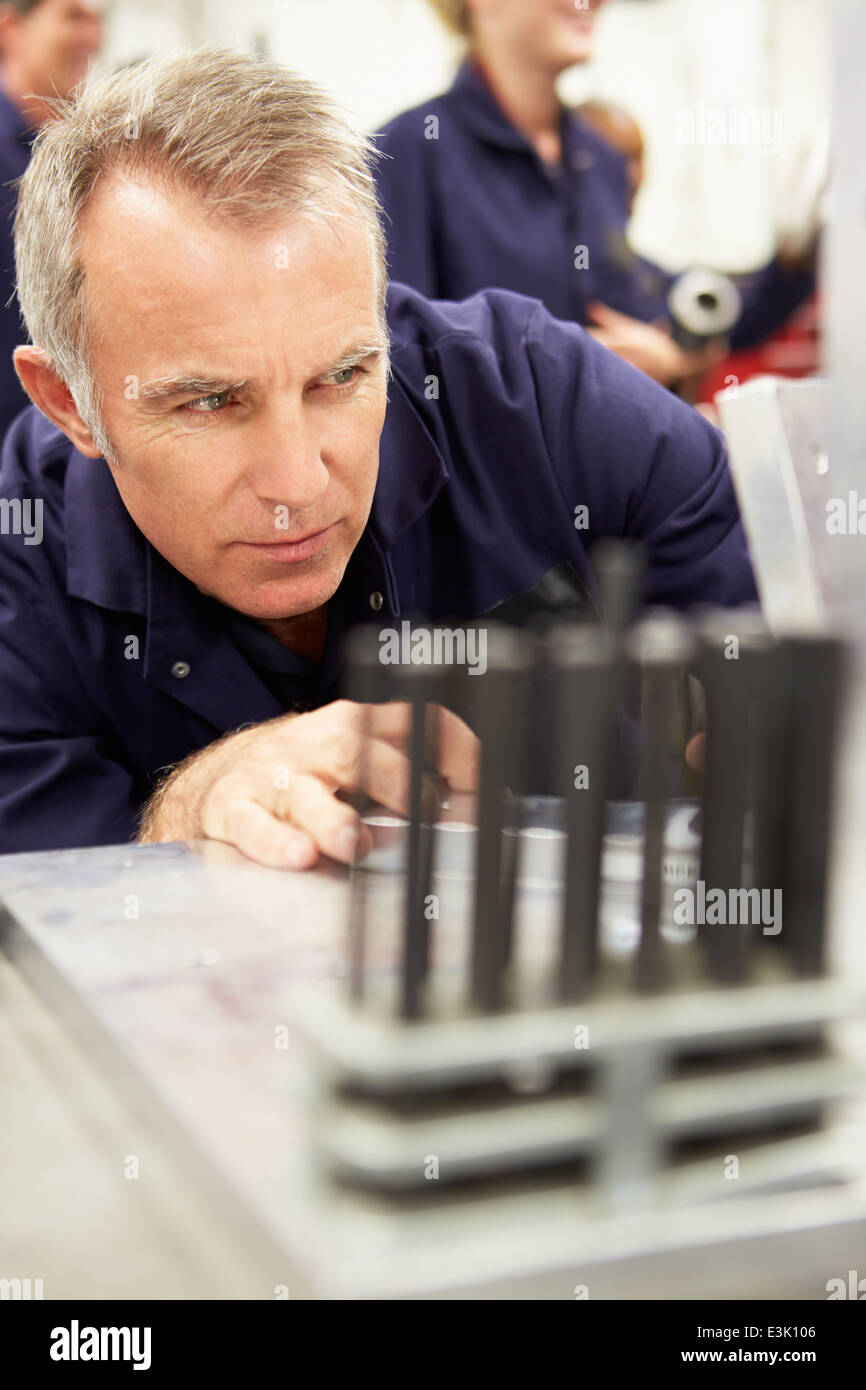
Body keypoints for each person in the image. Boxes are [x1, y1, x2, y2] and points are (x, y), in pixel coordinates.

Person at [0, 49, 755, 867]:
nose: (298, 483)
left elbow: (801, 630)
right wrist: (185, 806)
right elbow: (38, 909)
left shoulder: (545, 402)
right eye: (210, 402)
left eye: (343, 376)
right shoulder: (20, 568)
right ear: (69, 402)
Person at [376, 0, 815, 385]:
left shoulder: (597, 158)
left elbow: (643, 301)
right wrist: (584, 369)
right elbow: (405, 365)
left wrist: (799, 254)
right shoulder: (408, 154)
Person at [0, 0, 102, 441]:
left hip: (64, 450)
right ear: (9, 30)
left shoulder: (89, 156)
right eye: (74, 17)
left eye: (98, 22)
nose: (93, 38)